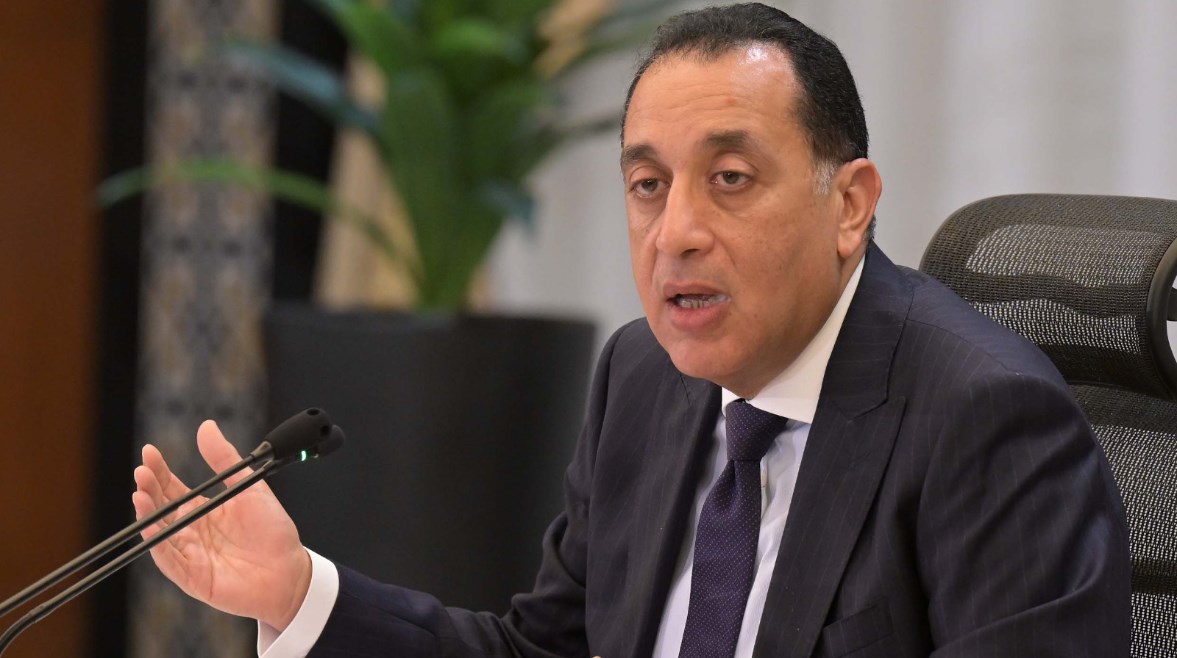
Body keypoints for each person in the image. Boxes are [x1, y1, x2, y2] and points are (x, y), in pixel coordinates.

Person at [133, 3, 1131, 656]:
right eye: (647, 185)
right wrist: (299, 592)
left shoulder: (982, 419)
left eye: (729, 179)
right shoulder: (645, 378)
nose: (675, 231)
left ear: (849, 203)